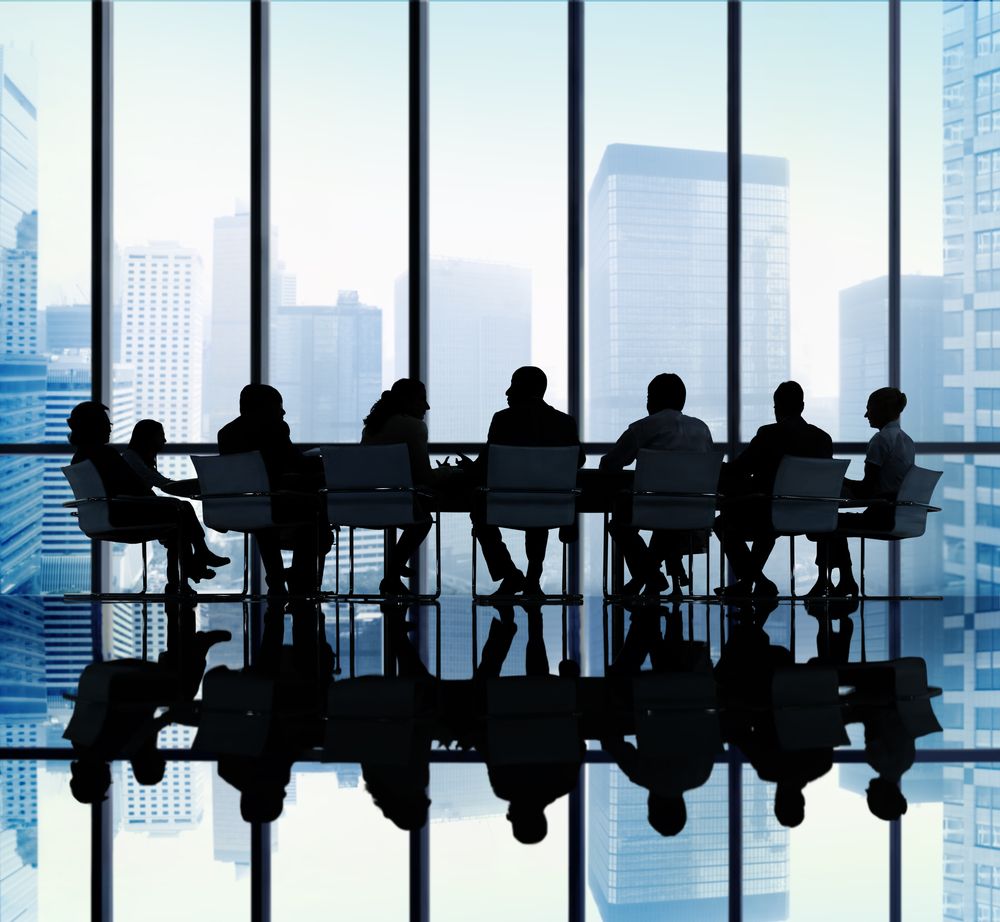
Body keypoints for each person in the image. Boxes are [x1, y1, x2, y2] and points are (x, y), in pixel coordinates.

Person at [67, 401, 227, 593]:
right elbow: (133, 486)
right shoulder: (105, 454)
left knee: (177, 524)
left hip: (103, 517)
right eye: (106, 424)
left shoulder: (80, 457)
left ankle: (187, 574)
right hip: (121, 515)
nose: (110, 428)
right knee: (181, 509)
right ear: (94, 426)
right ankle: (191, 567)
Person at [467, 367, 583, 596]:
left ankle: (510, 575)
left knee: (478, 513)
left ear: (522, 388)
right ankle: (533, 578)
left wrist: (468, 468)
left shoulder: (503, 419)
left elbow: (486, 463)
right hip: (551, 506)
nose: (507, 392)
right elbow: (578, 460)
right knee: (538, 506)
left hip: (506, 504)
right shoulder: (565, 422)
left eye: (513, 385)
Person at [713, 381, 832, 597]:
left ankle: (755, 580)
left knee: (723, 522)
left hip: (771, 513)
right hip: (813, 516)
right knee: (766, 521)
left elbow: (741, 468)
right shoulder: (823, 439)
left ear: (776, 408)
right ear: (802, 406)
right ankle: (752, 581)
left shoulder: (769, 434)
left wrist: (713, 466)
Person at [600, 373, 714, 596]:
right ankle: (650, 576)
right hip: (697, 514)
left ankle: (649, 576)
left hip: (654, 509)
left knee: (621, 522)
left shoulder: (644, 427)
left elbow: (609, 463)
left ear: (653, 400)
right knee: (669, 518)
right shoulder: (702, 429)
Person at [217, 384, 331, 596]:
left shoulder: (226, 434)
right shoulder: (275, 428)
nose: (283, 412)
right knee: (315, 509)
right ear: (264, 408)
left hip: (241, 506)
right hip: (278, 503)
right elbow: (294, 462)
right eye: (278, 406)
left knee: (263, 512)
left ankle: (278, 577)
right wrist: (326, 462)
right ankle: (300, 574)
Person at [809, 387, 914, 598]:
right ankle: (843, 580)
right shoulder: (906, 441)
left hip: (881, 515)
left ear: (881, 410)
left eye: (869, 409)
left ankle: (830, 581)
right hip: (900, 514)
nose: (866, 415)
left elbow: (867, 490)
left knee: (825, 523)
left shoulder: (880, 441)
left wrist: (839, 480)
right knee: (831, 523)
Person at [361, 378, 454, 595]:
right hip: (397, 502)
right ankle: (393, 569)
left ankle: (392, 574)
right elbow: (425, 477)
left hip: (364, 502)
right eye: (422, 400)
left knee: (417, 509)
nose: (427, 406)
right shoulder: (414, 426)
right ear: (407, 401)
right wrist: (448, 472)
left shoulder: (373, 425)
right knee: (423, 521)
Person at [120, 419, 202, 498]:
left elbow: (159, 480)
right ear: (149, 437)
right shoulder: (131, 457)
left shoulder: (134, 457)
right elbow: (157, 480)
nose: (164, 440)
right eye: (161, 436)